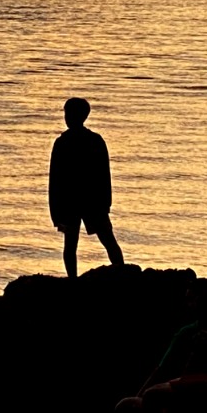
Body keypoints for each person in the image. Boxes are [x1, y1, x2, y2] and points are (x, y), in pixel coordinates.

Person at [48, 97, 124, 278]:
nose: (66, 117)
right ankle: (122, 273)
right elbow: (104, 175)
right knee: (106, 240)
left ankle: (74, 281)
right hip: (90, 200)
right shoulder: (94, 140)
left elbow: (55, 179)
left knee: (74, 245)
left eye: (68, 113)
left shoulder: (64, 143)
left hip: (75, 201)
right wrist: (106, 202)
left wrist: (55, 209)